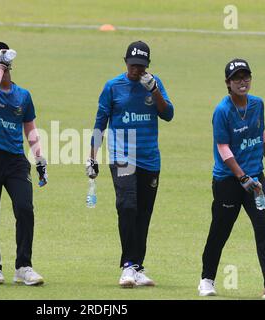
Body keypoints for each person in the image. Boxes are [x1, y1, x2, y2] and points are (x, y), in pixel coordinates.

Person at [198, 58, 265, 299]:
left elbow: (261, 133)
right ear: (228, 83)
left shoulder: (257, 104)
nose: (242, 81)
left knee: (263, 227)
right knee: (220, 230)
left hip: (256, 179)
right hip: (228, 181)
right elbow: (223, 148)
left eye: (246, 76)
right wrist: (241, 177)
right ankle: (206, 280)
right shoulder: (222, 111)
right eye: (237, 78)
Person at [86, 41, 174, 288]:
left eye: (142, 66)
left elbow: (168, 114)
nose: (137, 71)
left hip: (150, 158)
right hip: (122, 157)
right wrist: (92, 156)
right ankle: (127, 266)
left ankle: (137, 266)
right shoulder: (113, 87)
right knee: (127, 206)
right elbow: (100, 123)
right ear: (125, 62)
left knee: (143, 213)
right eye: (134, 65)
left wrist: (155, 90)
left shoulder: (154, 84)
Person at [0, 41, 47, 286]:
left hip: (15, 161)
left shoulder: (23, 95)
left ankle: (23, 266)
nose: (0, 56)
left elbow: (30, 128)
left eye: (3, 54)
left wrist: (39, 158)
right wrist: (0, 69)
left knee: (25, 208)